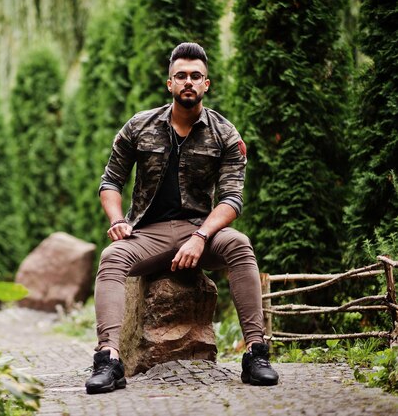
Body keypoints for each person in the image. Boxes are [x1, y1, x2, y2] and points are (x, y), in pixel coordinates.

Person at [85, 42, 279, 394]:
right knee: (112, 257)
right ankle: (109, 359)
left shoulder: (225, 134)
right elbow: (110, 181)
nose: (188, 81)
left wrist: (201, 236)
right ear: (169, 83)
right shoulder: (138, 126)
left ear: (207, 84)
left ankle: (255, 352)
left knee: (240, 245)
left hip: (200, 230)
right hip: (148, 233)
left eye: (196, 76)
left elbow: (232, 199)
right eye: (181, 76)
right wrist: (117, 220)